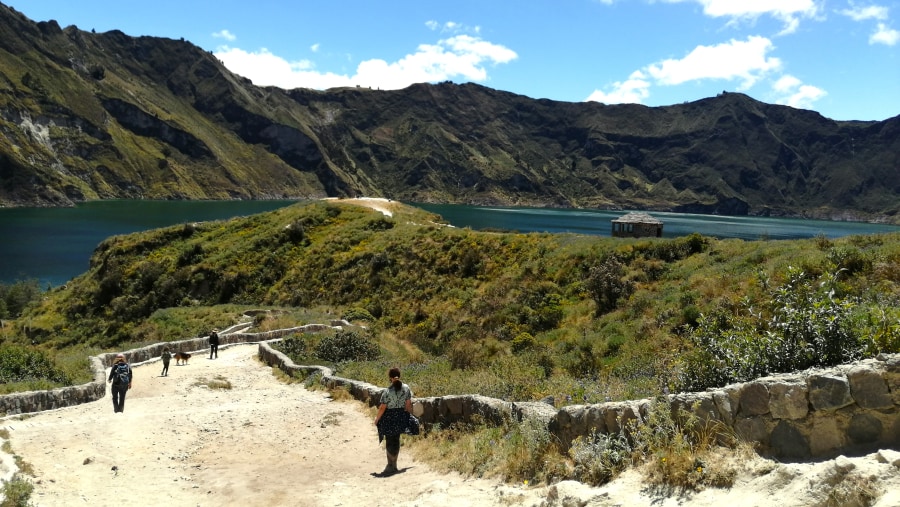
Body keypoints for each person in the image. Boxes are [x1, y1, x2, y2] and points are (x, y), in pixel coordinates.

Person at [374, 367, 413, 476]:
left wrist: (377, 419)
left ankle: (390, 465)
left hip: (389, 417)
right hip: (400, 416)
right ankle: (394, 464)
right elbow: (408, 403)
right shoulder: (406, 388)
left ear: (390, 378)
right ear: (399, 376)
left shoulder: (388, 391)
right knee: (396, 439)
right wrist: (406, 414)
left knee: (389, 439)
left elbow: (382, 407)